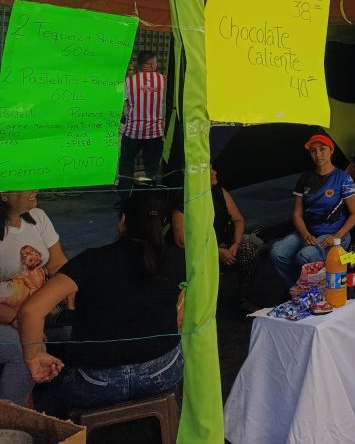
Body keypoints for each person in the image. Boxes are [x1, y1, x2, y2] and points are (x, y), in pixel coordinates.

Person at [19, 194, 185, 416]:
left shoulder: (90, 261)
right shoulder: (179, 259)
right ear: (163, 224)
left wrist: (33, 357)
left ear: (122, 220)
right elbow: (180, 316)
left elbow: (31, 310)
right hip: (161, 372)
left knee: (45, 392)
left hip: (95, 382)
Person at [0, 192, 68, 404]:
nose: (36, 189)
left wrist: (76, 297)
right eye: (26, 184)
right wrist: (20, 321)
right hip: (7, 318)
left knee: (82, 331)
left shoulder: (38, 217)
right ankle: (10, 423)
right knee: (27, 351)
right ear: (3, 194)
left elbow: (58, 264)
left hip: (39, 312)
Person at [270, 134, 355, 286]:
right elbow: (297, 214)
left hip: (335, 234)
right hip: (309, 232)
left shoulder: (343, 178)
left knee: (304, 256)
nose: (318, 155)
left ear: (331, 150)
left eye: (322, 149)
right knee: (277, 252)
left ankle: (306, 290)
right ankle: (296, 288)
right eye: (313, 151)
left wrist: (336, 237)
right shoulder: (305, 179)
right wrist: (305, 234)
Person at [171, 169, 262, 311]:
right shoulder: (184, 198)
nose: (215, 172)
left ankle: (243, 297)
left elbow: (238, 220)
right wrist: (217, 252)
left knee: (249, 249)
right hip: (199, 250)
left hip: (223, 244)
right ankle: (200, 302)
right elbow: (181, 240)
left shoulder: (219, 192)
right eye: (209, 170)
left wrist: (235, 245)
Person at [118, 50, 166, 187]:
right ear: (151, 64)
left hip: (132, 132)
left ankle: (125, 197)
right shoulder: (163, 80)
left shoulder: (128, 82)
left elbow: (122, 105)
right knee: (153, 168)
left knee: (126, 165)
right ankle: (152, 197)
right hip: (155, 133)